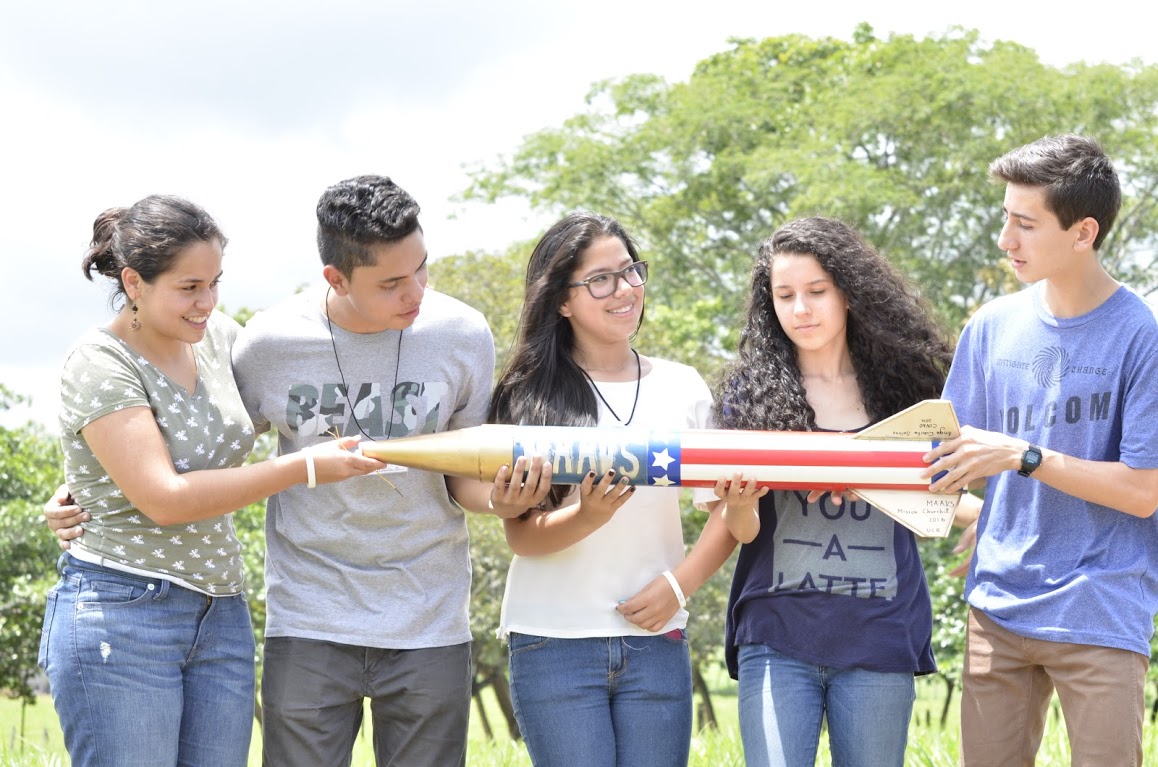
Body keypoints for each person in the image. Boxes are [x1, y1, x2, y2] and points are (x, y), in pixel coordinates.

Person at [44, 178, 548, 767]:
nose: (415, 292)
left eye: (421, 269)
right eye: (391, 282)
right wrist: (94, 487)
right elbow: (169, 471)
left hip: (337, 614)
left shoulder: (457, 334)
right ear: (335, 278)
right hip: (242, 612)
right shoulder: (258, 344)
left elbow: (198, 436)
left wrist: (502, 500)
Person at [39, 195, 386, 767]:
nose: (206, 303)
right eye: (189, 287)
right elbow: (164, 500)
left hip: (221, 614)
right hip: (123, 612)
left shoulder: (220, 338)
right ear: (134, 282)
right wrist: (303, 469)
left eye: (214, 283)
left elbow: (296, 395)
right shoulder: (99, 361)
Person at [922, 134, 1158, 766]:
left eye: (1025, 224)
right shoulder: (990, 328)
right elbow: (951, 461)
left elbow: (1143, 492)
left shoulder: (1143, 336)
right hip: (995, 609)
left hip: (1100, 608)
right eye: (1006, 217)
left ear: (1084, 232)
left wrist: (1025, 456)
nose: (1006, 239)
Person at [708, 216, 958, 767]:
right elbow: (744, 530)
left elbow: (940, 494)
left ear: (850, 291)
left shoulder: (910, 389)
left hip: (880, 635)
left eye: (817, 291)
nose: (801, 309)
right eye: (785, 294)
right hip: (776, 636)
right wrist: (740, 502)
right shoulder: (746, 396)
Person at [489, 212, 737, 767]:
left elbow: (728, 511)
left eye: (630, 272)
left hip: (656, 639)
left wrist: (679, 585)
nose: (625, 290)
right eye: (601, 279)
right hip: (552, 641)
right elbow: (522, 538)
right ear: (561, 300)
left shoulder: (682, 386)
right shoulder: (527, 396)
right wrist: (587, 516)